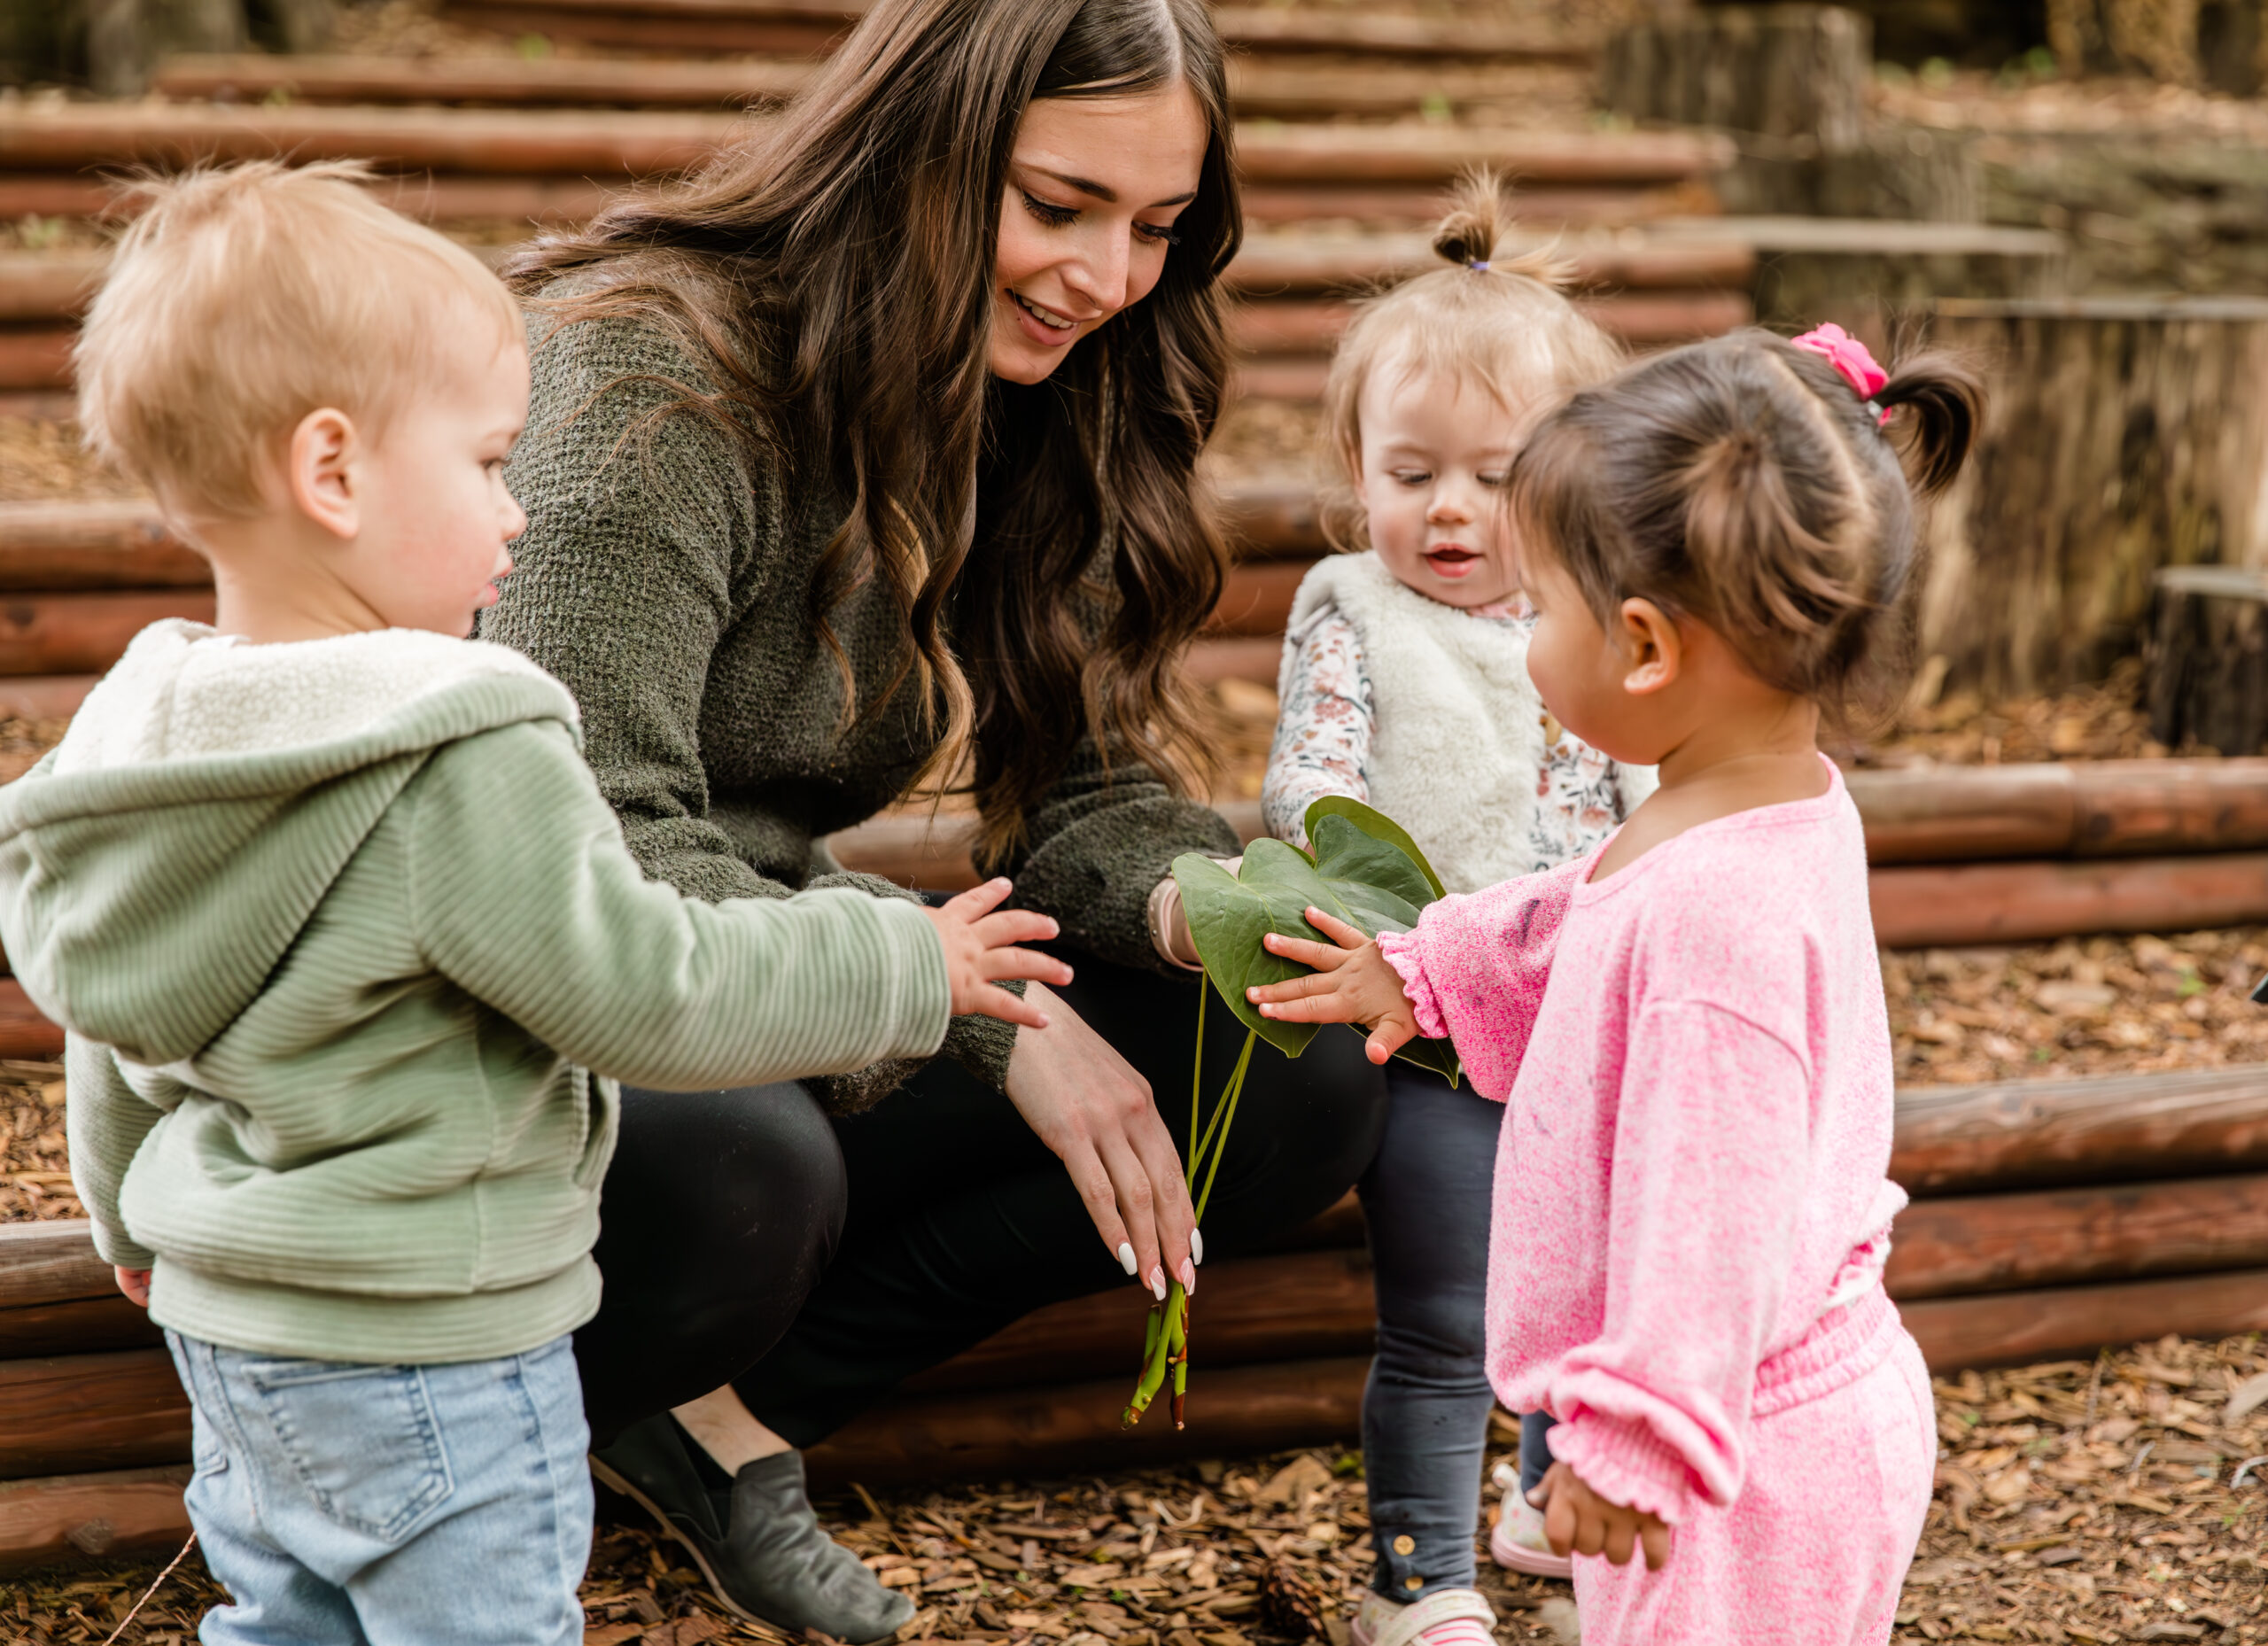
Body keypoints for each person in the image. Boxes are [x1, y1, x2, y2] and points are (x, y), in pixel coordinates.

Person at [0, 161, 1068, 1646]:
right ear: (334, 471)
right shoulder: (456, 740)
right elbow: (650, 988)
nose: (519, 512)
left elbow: (115, 1013)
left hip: (230, 1323)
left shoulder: (145, 732)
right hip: (433, 1333)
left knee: (282, 1618)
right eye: (492, 461)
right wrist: (900, 958)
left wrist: (124, 1205)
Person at [483, 0, 1386, 1632]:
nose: (1110, 280)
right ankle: (484, 1469)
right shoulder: (651, 371)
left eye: (1158, 229)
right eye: (1058, 207)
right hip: (540, 991)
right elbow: (581, 829)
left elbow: (1090, 782)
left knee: (1290, 1071)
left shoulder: (1044, 388)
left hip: (781, 971)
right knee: (749, 1165)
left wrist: (1203, 914)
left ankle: (721, 1427)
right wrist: (973, 1016)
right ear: (923, 141)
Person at [1244, 325, 1982, 1642]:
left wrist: (1637, 1434)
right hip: (1759, 1413)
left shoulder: (1719, 931)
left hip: (1737, 1453)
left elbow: (1715, 1203)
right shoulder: (1753, 800)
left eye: (1548, 607)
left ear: (1641, 645)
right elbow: (1584, 911)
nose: (1530, 632)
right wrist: (1425, 965)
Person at [1251, 180, 1651, 1646]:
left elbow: (1637, 796)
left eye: (1493, 476)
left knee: (1594, 1275)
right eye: (1411, 472)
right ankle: (1415, 1579)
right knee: (1446, 1311)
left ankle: (1550, 1504)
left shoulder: (1602, 619)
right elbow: (1314, 769)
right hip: (1424, 1016)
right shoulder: (1354, 604)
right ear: (1357, 470)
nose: (1451, 510)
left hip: (1581, 1011)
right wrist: (1328, 842)